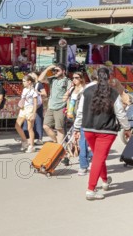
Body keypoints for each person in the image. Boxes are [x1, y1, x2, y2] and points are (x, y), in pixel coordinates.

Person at [74, 67, 131, 200]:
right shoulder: (113, 93)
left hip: (88, 129)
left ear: (94, 77)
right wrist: (127, 128)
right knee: (99, 158)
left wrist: (76, 129)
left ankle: (105, 181)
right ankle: (91, 189)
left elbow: (80, 112)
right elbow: (120, 114)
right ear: (109, 77)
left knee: (99, 157)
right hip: (107, 131)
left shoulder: (86, 91)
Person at [39, 64, 72, 146]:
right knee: (45, 126)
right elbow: (40, 79)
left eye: (58, 70)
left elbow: (69, 96)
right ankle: (58, 142)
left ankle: (59, 146)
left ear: (63, 71)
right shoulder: (52, 79)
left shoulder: (67, 81)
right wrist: (48, 69)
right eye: (54, 70)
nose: (55, 72)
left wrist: (68, 109)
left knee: (59, 128)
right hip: (51, 107)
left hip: (61, 107)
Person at [15, 74, 39, 153]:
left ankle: (31, 146)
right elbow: (23, 99)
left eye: (24, 81)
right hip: (23, 109)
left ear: (29, 82)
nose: (23, 83)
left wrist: (34, 113)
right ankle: (25, 141)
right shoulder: (24, 89)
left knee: (30, 128)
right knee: (17, 125)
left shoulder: (34, 91)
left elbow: (35, 103)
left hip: (30, 109)